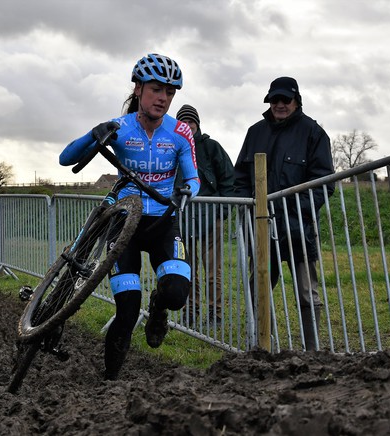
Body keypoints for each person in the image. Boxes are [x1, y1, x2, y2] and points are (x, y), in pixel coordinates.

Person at [59, 53, 200, 380]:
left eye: (170, 92)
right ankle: (110, 383)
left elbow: (193, 177)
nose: (163, 97)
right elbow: (66, 158)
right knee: (126, 309)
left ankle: (159, 309)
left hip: (163, 223)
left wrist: (185, 192)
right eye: (155, 89)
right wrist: (94, 134)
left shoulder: (180, 132)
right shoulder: (120, 128)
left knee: (177, 293)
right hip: (125, 226)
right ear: (138, 89)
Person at [233, 76, 334, 351]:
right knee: (260, 287)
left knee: (306, 290)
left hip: (298, 228)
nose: (279, 105)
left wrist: (293, 209)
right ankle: (261, 343)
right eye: (274, 100)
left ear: (296, 101)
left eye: (284, 100)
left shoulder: (313, 133)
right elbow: (240, 176)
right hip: (262, 228)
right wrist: (249, 205)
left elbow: (324, 182)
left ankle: (311, 349)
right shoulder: (255, 132)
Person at [174, 104, 235, 326]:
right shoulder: (173, 149)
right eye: (183, 123)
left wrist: (223, 212)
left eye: (191, 122)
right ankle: (190, 310)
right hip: (183, 216)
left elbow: (228, 178)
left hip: (211, 216)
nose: (187, 126)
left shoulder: (211, 147)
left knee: (213, 270)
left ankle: (215, 313)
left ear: (197, 124)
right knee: (187, 268)